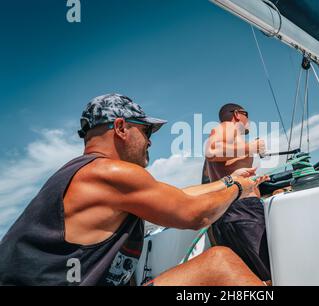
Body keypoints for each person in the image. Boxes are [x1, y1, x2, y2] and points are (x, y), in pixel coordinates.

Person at [0, 94, 267, 286]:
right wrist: (237, 188)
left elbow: (177, 196)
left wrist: (227, 181)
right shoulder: (108, 173)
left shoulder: (86, 174)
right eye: (147, 130)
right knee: (220, 264)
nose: (150, 140)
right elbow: (195, 215)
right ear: (120, 128)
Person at [204, 103, 272, 281]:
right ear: (237, 115)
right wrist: (251, 148)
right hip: (244, 212)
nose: (249, 119)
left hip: (226, 213)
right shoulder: (228, 127)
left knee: (246, 278)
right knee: (269, 273)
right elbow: (211, 151)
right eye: (246, 114)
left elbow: (218, 176)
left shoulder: (231, 138)